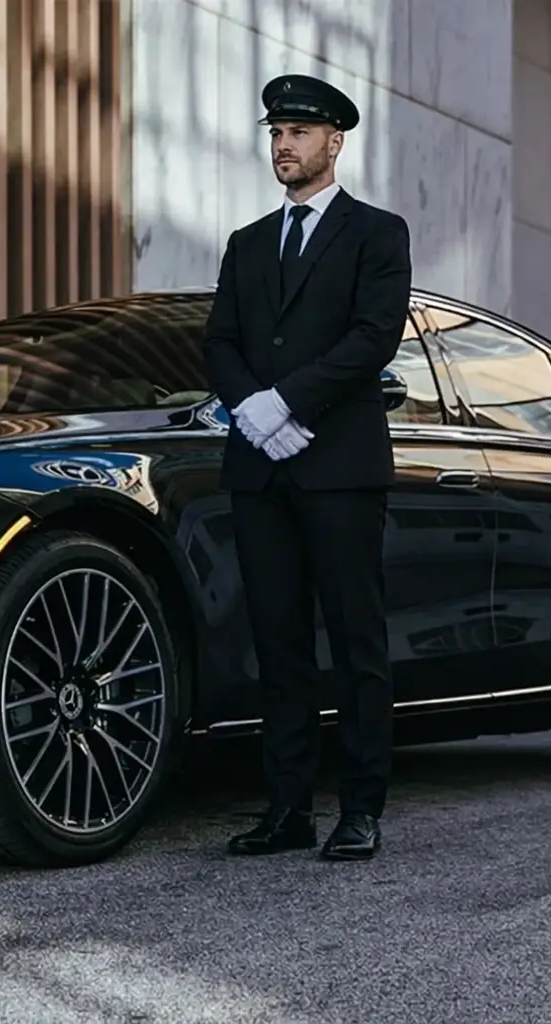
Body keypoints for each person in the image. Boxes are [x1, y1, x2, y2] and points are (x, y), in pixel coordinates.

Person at [202, 73, 412, 861]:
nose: (283, 145)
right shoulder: (248, 242)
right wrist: (251, 411)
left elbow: (373, 337)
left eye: (297, 132)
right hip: (261, 469)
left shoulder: (376, 233)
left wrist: (284, 403)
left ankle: (360, 809)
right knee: (278, 642)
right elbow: (220, 340)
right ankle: (287, 810)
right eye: (275, 133)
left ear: (334, 142)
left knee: (356, 642)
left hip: (340, 467)